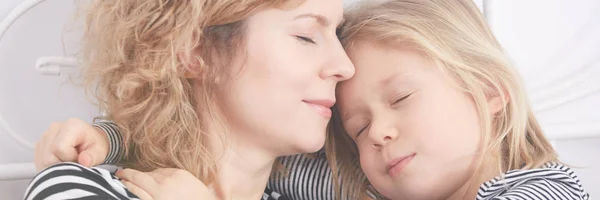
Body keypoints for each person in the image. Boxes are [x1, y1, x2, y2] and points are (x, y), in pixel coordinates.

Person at [24, 0, 356, 199]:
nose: (345, 66)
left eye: (338, 36)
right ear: (194, 52)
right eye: (306, 36)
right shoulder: (75, 188)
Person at [329, 0, 590, 199]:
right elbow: (288, 169)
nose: (376, 132)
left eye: (401, 98)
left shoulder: (547, 190)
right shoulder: (367, 188)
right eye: (359, 129)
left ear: (488, 90)